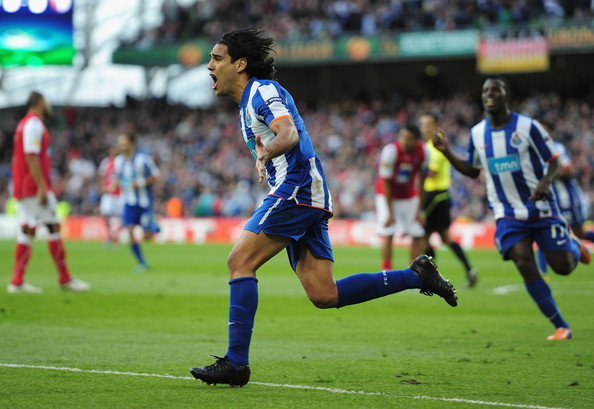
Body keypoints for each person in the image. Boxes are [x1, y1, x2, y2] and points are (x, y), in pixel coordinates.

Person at [190, 28, 457, 388]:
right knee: (324, 294)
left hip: (297, 189)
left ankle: (236, 363)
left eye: (216, 58)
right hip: (307, 193)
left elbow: (288, 133)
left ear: (239, 64)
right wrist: (264, 155)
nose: (209, 66)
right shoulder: (247, 105)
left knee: (240, 261)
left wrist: (267, 152)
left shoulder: (261, 91)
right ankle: (417, 276)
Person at [432, 75, 591, 341]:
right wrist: (446, 151)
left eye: (496, 90)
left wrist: (545, 182)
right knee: (523, 261)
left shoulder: (529, 127)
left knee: (563, 266)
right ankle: (561, 326)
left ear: (507, 96)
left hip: (540, 207)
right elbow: (472, 170)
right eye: (486, 90)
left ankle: (574, 245)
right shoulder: (477, 133)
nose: (490, 94)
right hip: (506, 211)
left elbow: (554, 161)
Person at [8, 91, 90, 293]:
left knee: (27, 230)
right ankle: (64, 279)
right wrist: (42, 187)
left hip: (23, 185)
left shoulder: (24, 124)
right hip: (33, 187)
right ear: (40, 102)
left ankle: (17, 281)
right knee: (53, 226)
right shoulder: (33, 124)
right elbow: (31, 156)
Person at [419, 112, 478, 288]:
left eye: (428, 124)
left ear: (436, 126)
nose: (424, 128)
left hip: (434, 195)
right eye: (422, 124)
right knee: (445, 237)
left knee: (423, 236)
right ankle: (469, 270)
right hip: (442, 196)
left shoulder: (435, 147)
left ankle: (430, 278)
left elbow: (432, 172)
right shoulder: (428, 146)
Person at [536, 123, 594, 275]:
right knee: (544, 232)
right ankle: (543, 274)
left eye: (545, 130)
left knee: (580, 233)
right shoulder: (535, 150)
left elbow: (568, 170)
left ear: (551, 133)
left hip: (566, 200)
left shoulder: (557, 147)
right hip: (549, 201)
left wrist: (547, 176)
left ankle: (575, 244)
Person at [375, 124, 429, 269]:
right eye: (402, 137)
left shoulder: (424, 152)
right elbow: (385, 182)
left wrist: (419, 211)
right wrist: (390, 213)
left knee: (417, 231)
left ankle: (414, 270)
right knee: (388, 231)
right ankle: (386, 270)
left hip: (408, 194)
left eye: (409, 138)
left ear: (416, 140)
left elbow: (422, 182)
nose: (404, 141)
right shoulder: (391, 151)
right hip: (386, 194)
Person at [112, 132, 161, 272]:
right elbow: (118, 177)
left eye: (123, 143)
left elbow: (157, 176)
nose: (120, 146)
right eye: (119, 143)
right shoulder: (118, 161)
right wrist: (115, 184)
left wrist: (140, 183)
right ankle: (142, 263)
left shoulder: (143, 159)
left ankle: (154, 227)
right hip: (129, 202)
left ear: (131, 143)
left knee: (147, 236)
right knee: (129, 231)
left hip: (144, 201)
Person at [98, 146, 123, 247]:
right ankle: (109, 235)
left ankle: (116, 235)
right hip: (108, 194)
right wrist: (102, 187)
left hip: (120, 193)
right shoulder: (106, 162)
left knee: (121, 217)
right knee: (105, 214)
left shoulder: (121, 162)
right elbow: (102, 175)